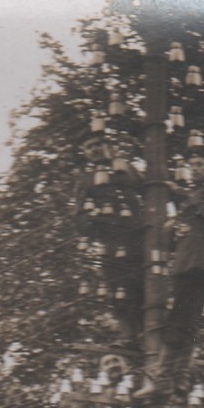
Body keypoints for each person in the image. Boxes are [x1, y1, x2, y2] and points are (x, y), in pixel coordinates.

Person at [135, 145, 204, 402]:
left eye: (201, 163)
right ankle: (179, 378)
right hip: (192, 262)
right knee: (187, 322)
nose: (196, 168)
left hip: (200, 262)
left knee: (179, 321)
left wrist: (178, 196)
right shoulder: (195, 195)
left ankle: (164, 379)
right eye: (192, 164)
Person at [74, 135, 144, 346]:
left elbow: (150, 191)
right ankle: (129, 336)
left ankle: (149, 333)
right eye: (89, 146)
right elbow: (78, 216)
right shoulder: (85, 180)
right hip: (111, 240)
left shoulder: (126, 168)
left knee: (146, 282)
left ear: (110, 147)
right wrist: (93, 224)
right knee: (117, 286)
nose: (95, 149)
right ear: (85, 153)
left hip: (139, 235)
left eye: (99, 144)